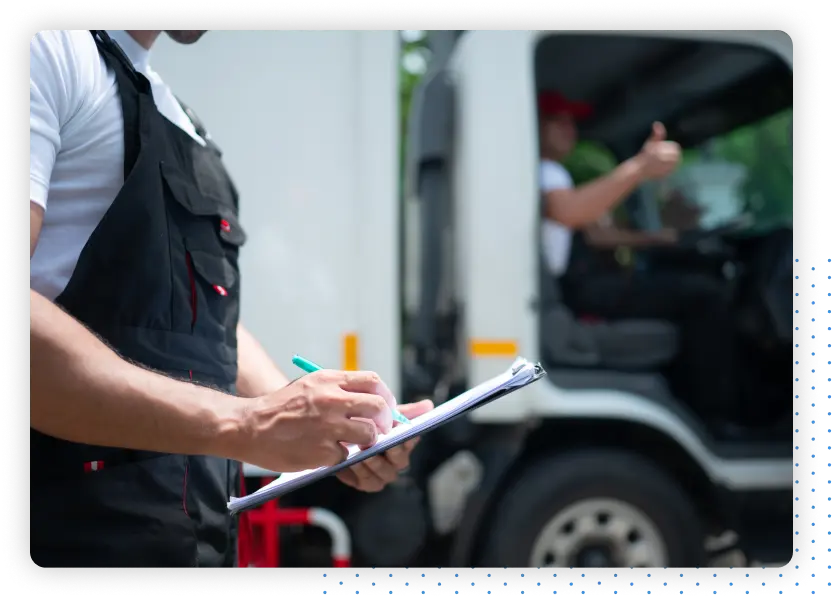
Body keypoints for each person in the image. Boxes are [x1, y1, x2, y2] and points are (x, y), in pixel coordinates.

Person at [29, 29, 433, 569]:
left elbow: (203, 322)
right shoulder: (46, 49)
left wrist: (326, 422)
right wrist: (250, 424)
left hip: (191, 544)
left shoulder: (183, 119)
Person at [536, 90, 737, 426]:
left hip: (570, 291)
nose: (569, 128)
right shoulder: (547, 172)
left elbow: (592, 226)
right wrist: (640, 167)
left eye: (572, 121)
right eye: (558, 120)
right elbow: (571, 214)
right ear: (537, 125)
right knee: (704, 296)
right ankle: (717, 416)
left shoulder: (548, 173)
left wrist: (655, 234)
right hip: (579, 291)